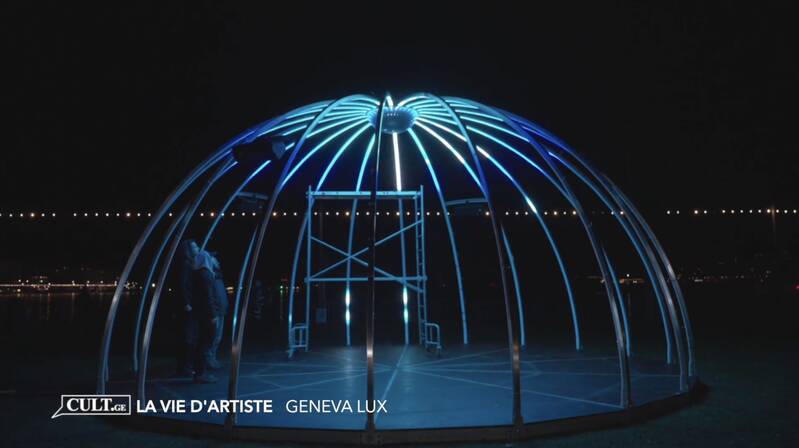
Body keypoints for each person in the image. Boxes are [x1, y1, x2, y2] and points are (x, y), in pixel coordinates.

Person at [191, 250, 221, 383]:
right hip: (207, 315)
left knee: (202, 342)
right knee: (206, 342)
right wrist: (213, 314)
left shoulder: (198, 273)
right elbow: (208, 296)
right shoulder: (205, 274)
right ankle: (201, 373)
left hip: (202, 313)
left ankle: (199, 372)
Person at [175, 239, 201, 377]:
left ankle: (186, 366)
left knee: (189, 336)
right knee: (188, 336)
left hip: (191, 304)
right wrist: (187, 303)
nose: (198, 248)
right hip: (188, 306)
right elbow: (182, 284)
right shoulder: (185, 264)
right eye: (195, 247)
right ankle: (185, 367)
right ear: (188, 250)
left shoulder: (189, 263)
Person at [205, 253, 228, 369]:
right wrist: (213, 311)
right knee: (213, 337)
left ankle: (212, 358)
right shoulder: (210, 276)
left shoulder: (218, 276)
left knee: (218, 337)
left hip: (220, 311)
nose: (217, 261)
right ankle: (208, 359)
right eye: (215, 259)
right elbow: (210, 296)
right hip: (215, 312)